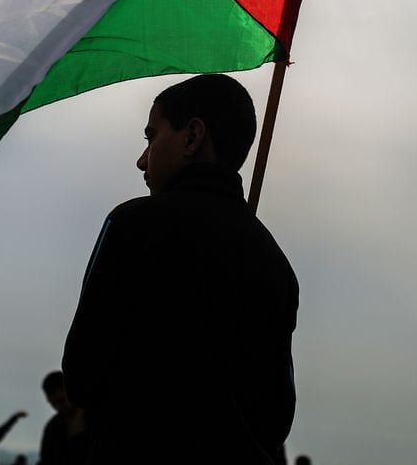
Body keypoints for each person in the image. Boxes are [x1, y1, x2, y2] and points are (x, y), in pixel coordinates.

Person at [62, 73, 299, 464]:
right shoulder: (276, 263)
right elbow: (276, 419)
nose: (142, 158)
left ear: (192, 136)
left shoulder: (132, 224)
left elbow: (81, 377)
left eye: (151, 137)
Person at [37, 370, 88, 465]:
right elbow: (47, 460)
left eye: (61, 401)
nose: (58, 407)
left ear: (70, 391)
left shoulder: (95, 417)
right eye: (53, 403)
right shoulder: (52, 428)